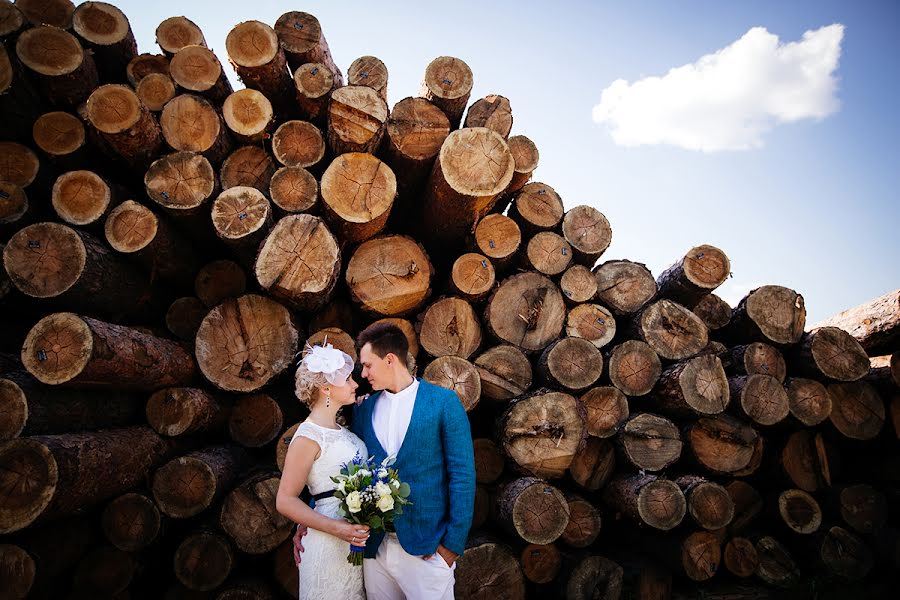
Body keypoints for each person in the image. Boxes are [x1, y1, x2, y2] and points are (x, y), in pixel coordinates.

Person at [294, 322, 476, 600]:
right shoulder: (364, 409)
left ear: (390, 359)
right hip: (374, 551)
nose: (363, 374)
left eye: (367, 365)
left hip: (426, 550)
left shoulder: (443, 402)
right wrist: (309, 516)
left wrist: (451, 547)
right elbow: (342, 468)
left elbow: (463, 476)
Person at [276, 342, 372, 600]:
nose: (354, 384)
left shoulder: (343, 430)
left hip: (353, 543)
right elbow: (284, 500)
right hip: (327, 543)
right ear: (326, 388)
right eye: (348, 379)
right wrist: (336, 528)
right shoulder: (307, 436)